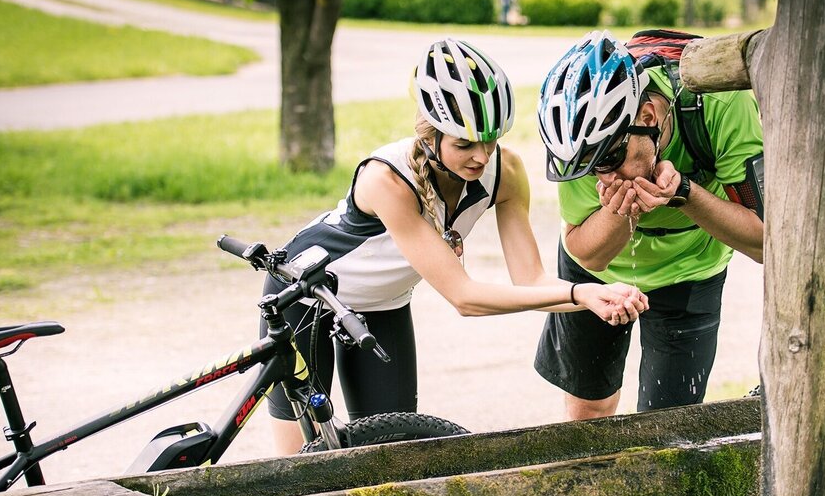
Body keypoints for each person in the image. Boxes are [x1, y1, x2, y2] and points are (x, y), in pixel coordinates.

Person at [264, 38, 648, 454]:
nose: (482, 156)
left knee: (394, 456)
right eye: (464, 144)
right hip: (302, 298)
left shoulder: (506, 171)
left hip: (382, 306)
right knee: (297, 469)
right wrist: (580, 292)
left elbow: (531, 281)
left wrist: (592, 295)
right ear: (429, 136)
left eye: (491, 140)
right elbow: (464, 297)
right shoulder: (386, 180)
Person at [534, 30, 764, 421]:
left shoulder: (721, 104)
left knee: (667, 422)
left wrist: (687, 195)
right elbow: (587, 252)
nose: (601, 179)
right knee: (589, 407)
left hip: (690, 269)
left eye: (607, 161)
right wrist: (622, 212)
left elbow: (765, 240)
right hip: (597, 277)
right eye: (587, 168)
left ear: (648, 117)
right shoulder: (579, 136)